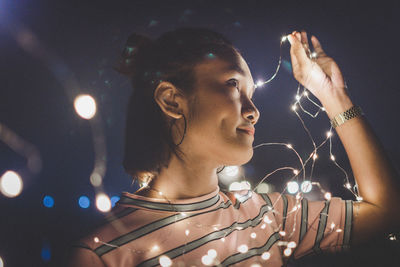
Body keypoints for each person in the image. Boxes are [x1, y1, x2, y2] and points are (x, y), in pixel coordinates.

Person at [67, 27, 400, 266]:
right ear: (171, 100)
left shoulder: (265, 216)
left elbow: (384, 211)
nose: (253, 110)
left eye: (251, 94)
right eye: (232, 84)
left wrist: (330, 93)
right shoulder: (104, 253)